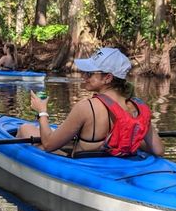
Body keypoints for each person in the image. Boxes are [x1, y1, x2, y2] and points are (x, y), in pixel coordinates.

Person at [16, 47, 164, 157]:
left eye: (89, 73)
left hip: (81, 163)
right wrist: (130, 139)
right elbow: (158, 150)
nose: (84, 76)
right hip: (112, 161)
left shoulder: (86, 107)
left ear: (108, 78)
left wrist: (42, 111)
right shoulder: (137, 108)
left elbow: (49, 144)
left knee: (25, 129)